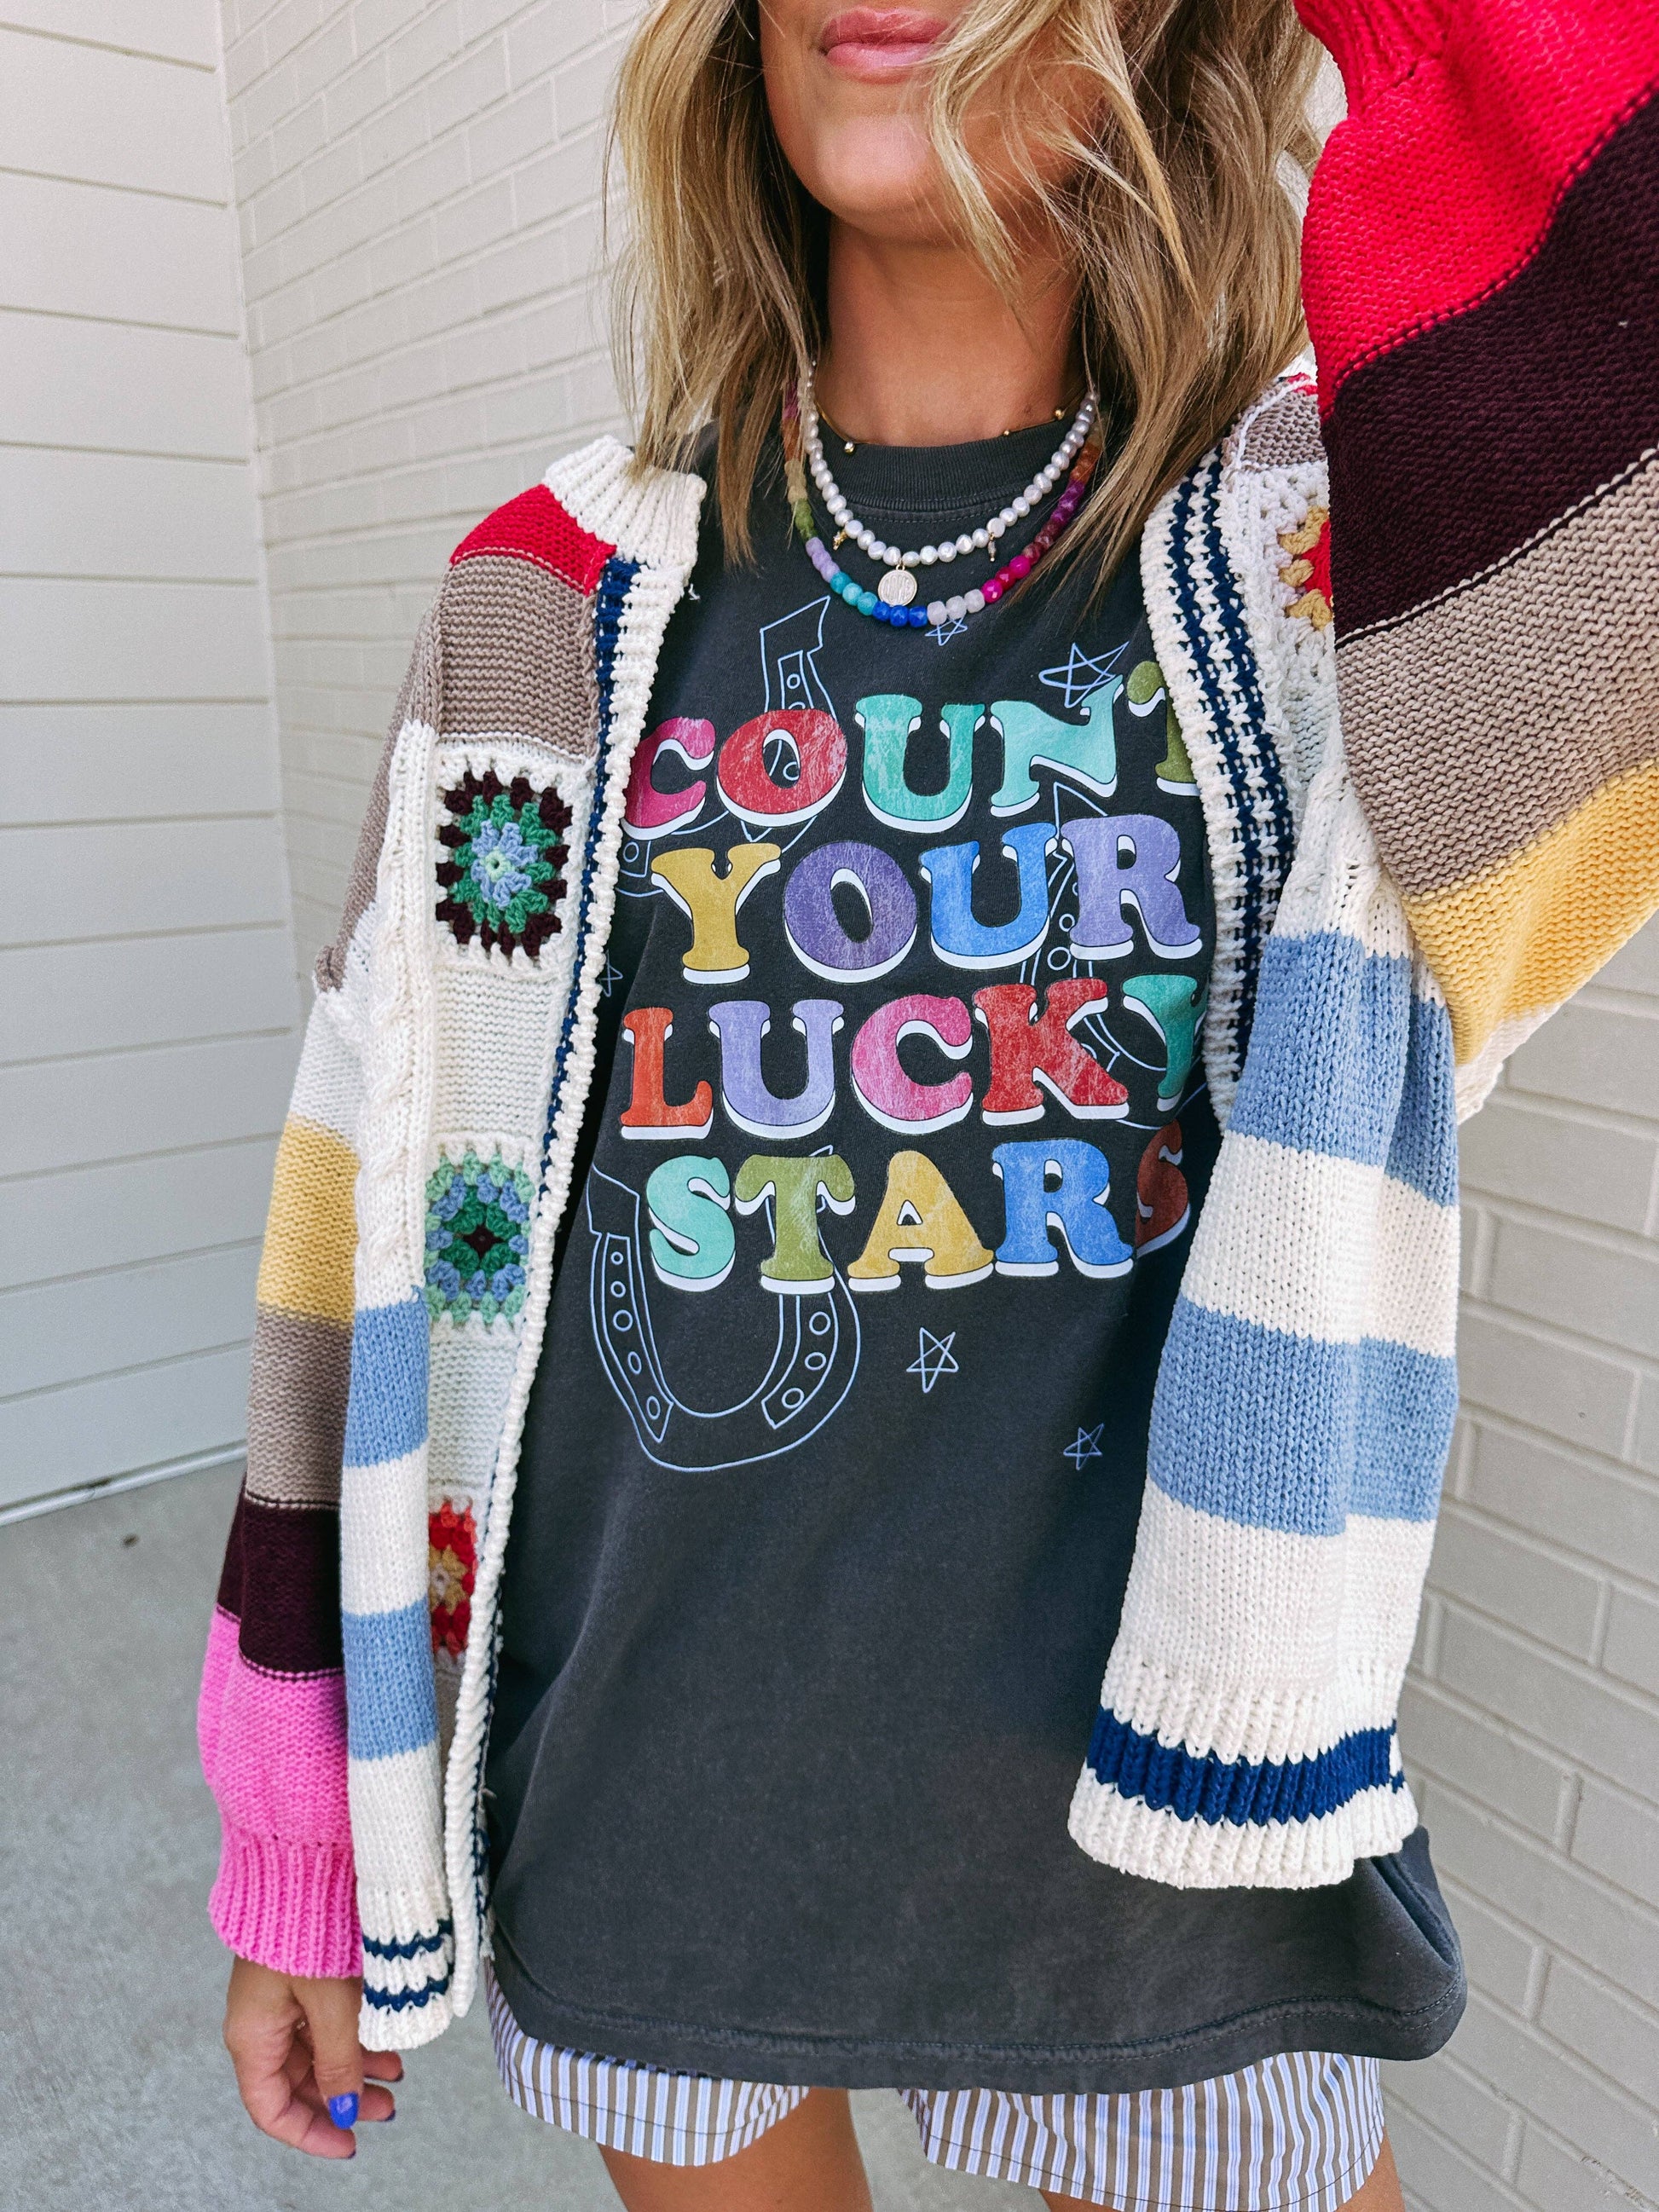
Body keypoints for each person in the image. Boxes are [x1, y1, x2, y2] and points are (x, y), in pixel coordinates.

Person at [200, 1, 1659, 2206]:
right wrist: (296, 1833)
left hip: (1156, 1861)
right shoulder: (542, 600)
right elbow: (352, 1230)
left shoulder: (1348, 568)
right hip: (653, 1812)